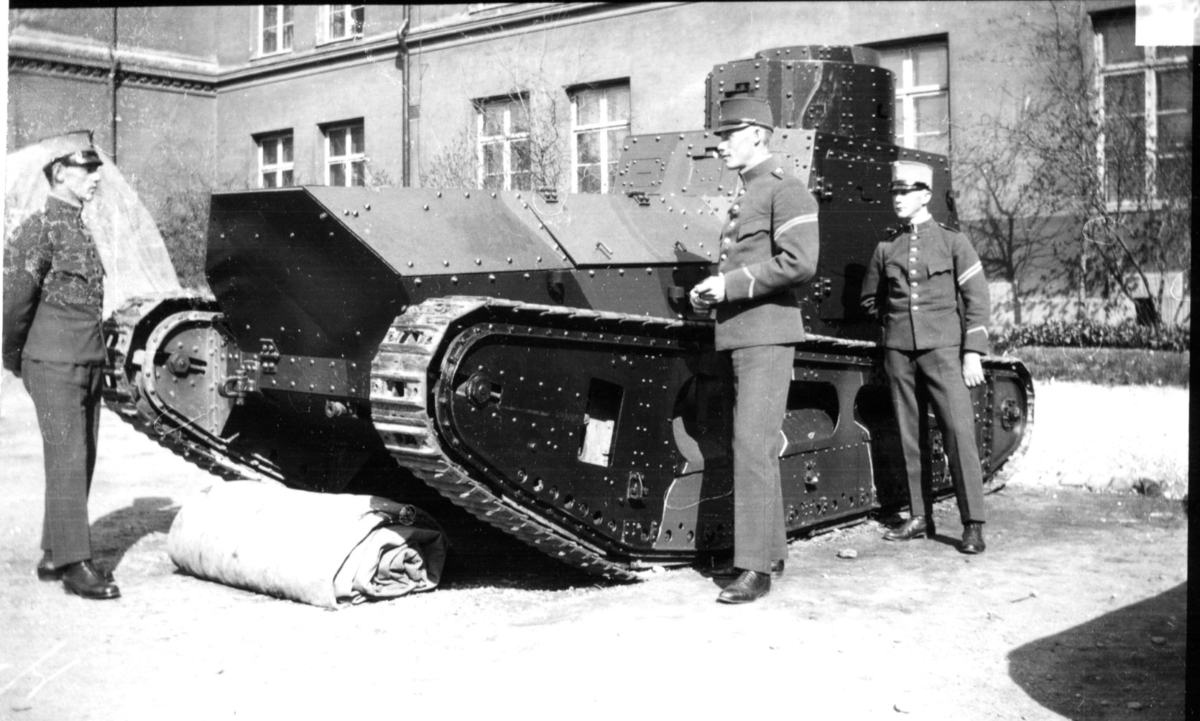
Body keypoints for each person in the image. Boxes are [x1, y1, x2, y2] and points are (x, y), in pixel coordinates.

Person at [690, 97, 820, 604]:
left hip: (766, 336)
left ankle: (754, 570)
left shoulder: (785, 190)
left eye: (728, 135)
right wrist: (713, 293)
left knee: (752, 447)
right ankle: (767, 553)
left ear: (758, 134)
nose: (720, 145)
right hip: (742, 333)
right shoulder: (749, 191)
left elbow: (800, 262)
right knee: (753, 447)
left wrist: (729, 286)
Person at [3, 134, 120, 599]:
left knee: (78, 456)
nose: (96, 178)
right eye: (87, 169)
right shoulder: (39, 229)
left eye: (96, 169)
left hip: (86, 359)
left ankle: (55, 553)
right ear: (59, 173)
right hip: (52, 362)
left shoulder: (78, 227)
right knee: (68, 458)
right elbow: (14, 304)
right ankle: (75, 565)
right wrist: (15, 358)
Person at [859, 160, 990, 555]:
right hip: (900, 354)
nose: (898, 199)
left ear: (926, 195)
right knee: (908, 435)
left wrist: (972, 352)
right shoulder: (887, 247)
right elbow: (870, 299)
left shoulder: (953, 243)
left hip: (943, 352)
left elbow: (977, 300)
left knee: (959, 432)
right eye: (894, 193)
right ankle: (919, 516)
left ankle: (972, 523)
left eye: (906, 192)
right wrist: (893, 328)